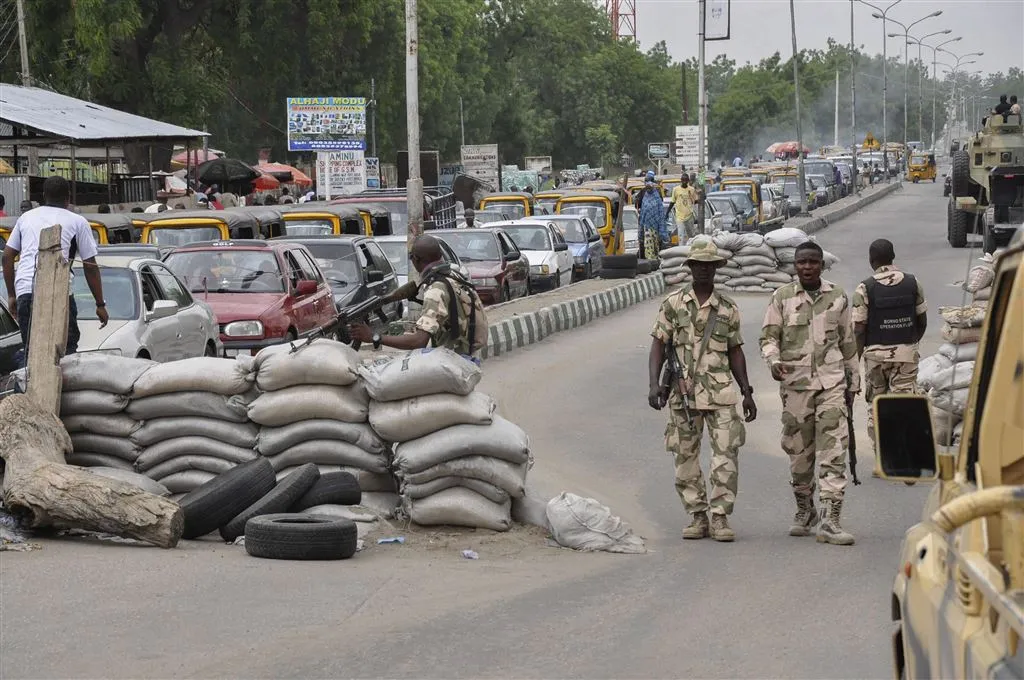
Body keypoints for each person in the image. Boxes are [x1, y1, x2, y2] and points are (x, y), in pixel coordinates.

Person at [649, 239, 757, 542]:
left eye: (709, 265)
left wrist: (747, 391)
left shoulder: (727, 307)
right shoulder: (673, 304)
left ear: (716, 268)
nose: (704, 270)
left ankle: (720, 516)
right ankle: (697, 515)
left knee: (726, 454)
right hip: (682, 392)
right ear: (691, 267)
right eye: (698, 265)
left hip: (721, 393)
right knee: (685, 455)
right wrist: (653, 384)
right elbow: (658, 344)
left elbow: (736, 350)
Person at [759, 241, 860, 546]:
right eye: (801, 262)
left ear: (821, 265)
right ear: (795, 265)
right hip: (796, 386)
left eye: (812, 262)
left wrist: (853, 382)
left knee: (833, 452)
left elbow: (848, 342)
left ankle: (831, 519)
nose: (807, 267)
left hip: (831, 385)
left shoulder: (838, 297)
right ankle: (805, 510)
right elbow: (768, 337)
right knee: (799, 455)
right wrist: (773, 361)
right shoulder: (782, 298)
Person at [2, 176, 108, 362]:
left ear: (44, 196)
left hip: (26, 292)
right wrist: (100, 304)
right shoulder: (77, 221)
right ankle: (61, 390)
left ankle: (34, 389)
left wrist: (12, 295)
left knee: (32, 352)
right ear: (68, 198)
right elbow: (90, 266)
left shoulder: (25, 218)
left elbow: (7, 257)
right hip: (59, 293)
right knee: (65, 351)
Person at [852, 239, 927, 476]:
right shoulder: (913, 282)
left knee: (878, 405)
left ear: (871, 260)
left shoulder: (865, 288)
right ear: (893, 256)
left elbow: (859, 328)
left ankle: (882, 461)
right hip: (906, 354)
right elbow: (922, 320)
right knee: (904, 405)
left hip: (875, 357)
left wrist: (858, 355)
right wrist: (910, 342)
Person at [349, 235, 488, 358]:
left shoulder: (436, 290)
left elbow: (418, 341)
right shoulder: (453, 275)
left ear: (416, 259)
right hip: (465, 354)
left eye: (411, 257)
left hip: (454, 360)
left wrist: (374, 337)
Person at [634, 171, 665, 259]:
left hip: (656, 224)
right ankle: (650, 260)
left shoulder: (657, 193)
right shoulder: (643, 193)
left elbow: (660, 208)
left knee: (656, 244)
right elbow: (640, 207)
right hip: (646, 225)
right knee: (648, 244)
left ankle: (656, 260)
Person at [665, 174, 699, 241]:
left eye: (686, 180)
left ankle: (690, 248)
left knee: (691, 235)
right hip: (679, 217)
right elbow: (672, 202)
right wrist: (667, 213)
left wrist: (701, 199)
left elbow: (694, 201)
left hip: (689, 216)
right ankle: (681, 248)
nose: (684, 182)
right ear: (681, 180)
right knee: (681, 236)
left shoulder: (691, 189)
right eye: (683, 180)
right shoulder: (676, 189)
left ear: (688, 181)